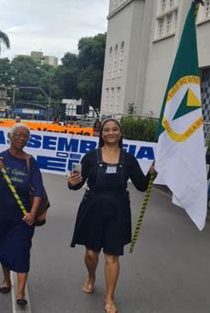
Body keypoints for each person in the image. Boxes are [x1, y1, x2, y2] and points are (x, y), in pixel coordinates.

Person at [67, 118, 156, 313]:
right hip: (92, 208)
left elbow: (141, 186)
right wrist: (72, 181)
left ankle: (109, 297)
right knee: (91, 254)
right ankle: (91, 276)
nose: (110, 133)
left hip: (118, 210)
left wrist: (151, 173)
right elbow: (76, 185)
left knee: (112, 257)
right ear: (101, 134)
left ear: (120, 133)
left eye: (115, 129)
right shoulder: (89, 157)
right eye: (106, 130)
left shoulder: (129, 159)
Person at [0, 123, 44, 307]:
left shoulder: (29, 162)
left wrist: (32, 214)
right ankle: (6, 279)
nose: (21, 139)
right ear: (10, 137)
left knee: (22, 250)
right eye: (17, 135)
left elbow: (38, 191)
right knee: (2, 248)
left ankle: (20, 292)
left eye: (25, 136)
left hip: (23, 218)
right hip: (0, 215)